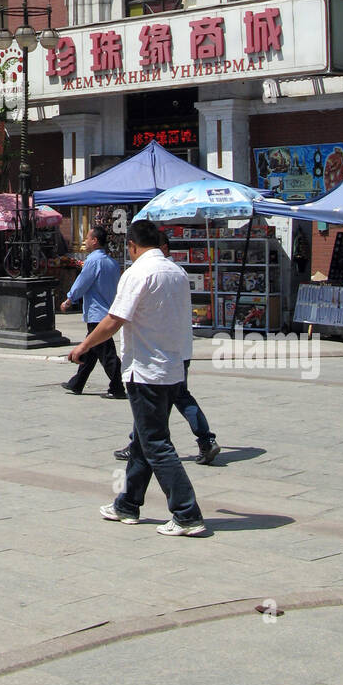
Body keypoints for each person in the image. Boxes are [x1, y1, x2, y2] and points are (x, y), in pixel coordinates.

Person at [69, 218, 206, 537]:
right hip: (173, 365)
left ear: (132, 246)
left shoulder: (138, 273)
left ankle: (187, 512)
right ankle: (127, 504)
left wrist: (84, 346)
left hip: (147, 370)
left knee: (156, 443)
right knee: (144, 439)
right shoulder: (177, 271)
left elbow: (114, 320)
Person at [114, 236, 220, 466]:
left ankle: (144, 444)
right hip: (179, 349)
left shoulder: (150, 273)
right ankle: (202, 439)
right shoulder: (179, 273)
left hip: (158, 352)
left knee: (151, 398)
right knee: (174, 397)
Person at [59, 225, 124, 398]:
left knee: (106, 353)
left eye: (88, 238)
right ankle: (77, 383)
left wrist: (69, 299)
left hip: (97, 313)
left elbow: (82, 282)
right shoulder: (112, 263)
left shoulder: (93, 261)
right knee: (90, 350)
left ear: (95, 241)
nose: (85, 241)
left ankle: (118, 387)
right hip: (108, 310)